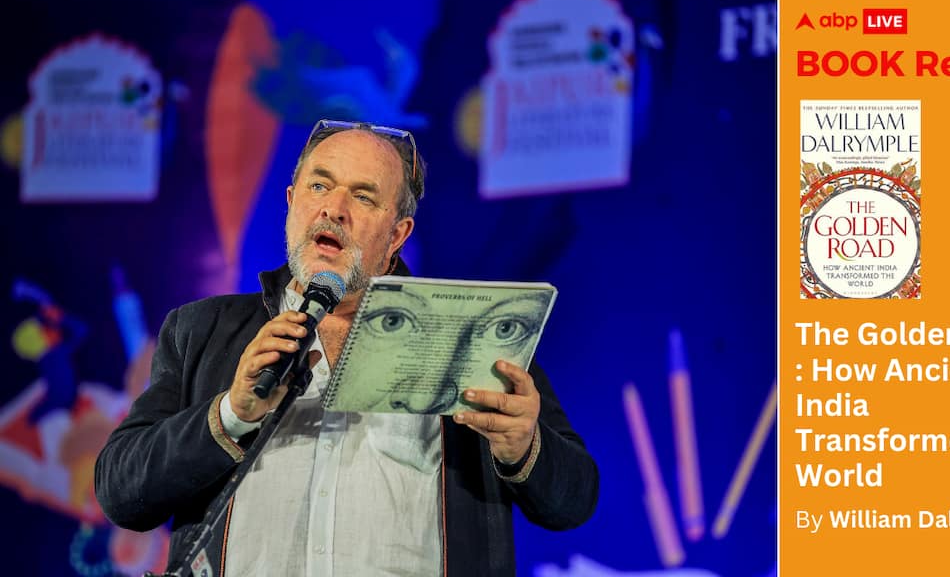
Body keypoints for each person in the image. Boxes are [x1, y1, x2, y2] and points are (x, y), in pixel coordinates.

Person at [94, 120, 599, 576]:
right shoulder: (201, 329)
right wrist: (230, 414)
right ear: (291, 201)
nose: (332, 209)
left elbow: (573, 500)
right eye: (319, 186)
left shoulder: (469, 334)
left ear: (397, 234)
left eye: (363, 196)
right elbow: (121, 492)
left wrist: (523, 447)